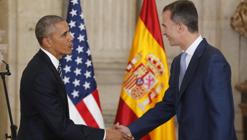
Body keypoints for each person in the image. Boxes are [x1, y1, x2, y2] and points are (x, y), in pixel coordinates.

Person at [115, 0, 237, 140]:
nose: (163, 32)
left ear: (180, 27)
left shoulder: (213, 60)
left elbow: (222, 117)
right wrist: (131, 129)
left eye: (165, 26)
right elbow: (169, 104)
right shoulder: (178, 63)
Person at [17, 15, 132, 140]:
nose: (71, 37)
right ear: (47, 42)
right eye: (64, 34)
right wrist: (106, 135)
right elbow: (61, 127)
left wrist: (105, 133)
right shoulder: (40, 74)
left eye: (69, 32)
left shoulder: (46, 66)